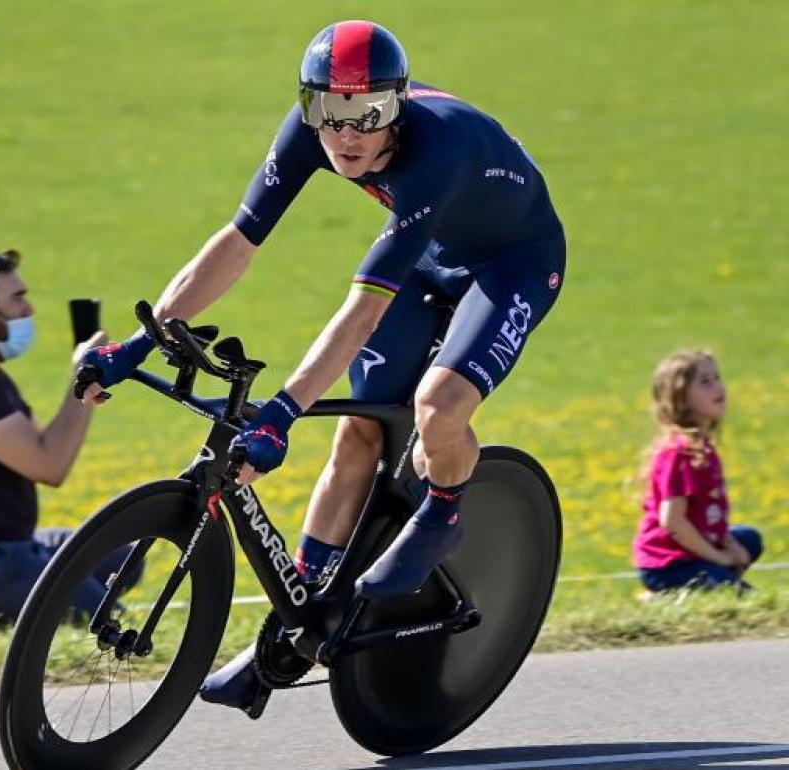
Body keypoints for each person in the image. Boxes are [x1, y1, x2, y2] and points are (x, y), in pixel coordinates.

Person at [77, 19, 566, 716]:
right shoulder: (315, 128)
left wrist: (279, 415)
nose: (345, 134)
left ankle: (447, 508)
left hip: (513, 262)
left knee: (437, 407)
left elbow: (361, 313)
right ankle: (296, 621)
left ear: (395, 107)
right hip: (435, 254)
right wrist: (138, 343)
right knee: (358, 434)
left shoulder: (436, 153)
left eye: (365, 115)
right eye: (328, 113)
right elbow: (238, 242)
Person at [0, 248, 141, 629]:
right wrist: (80, 378)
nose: (29, 310)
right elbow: (50, 466)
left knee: (123, 557)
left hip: (13, 545)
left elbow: (48, 446)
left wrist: (88, 383)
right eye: (17, 298)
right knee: (105, 624)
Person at [632, 350, 763, 594]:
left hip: (697, 547)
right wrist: (719, 557)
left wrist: (730, 545)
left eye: (716, 377)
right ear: (681, 398)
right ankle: (668, 593)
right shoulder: (677, 454)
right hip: (670, 563)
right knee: (743, 597)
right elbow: (673, 523)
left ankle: (710, 579)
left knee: (750, 539)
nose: (718, 386)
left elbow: (707, 512)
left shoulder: (703, 447)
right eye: (705, 382)